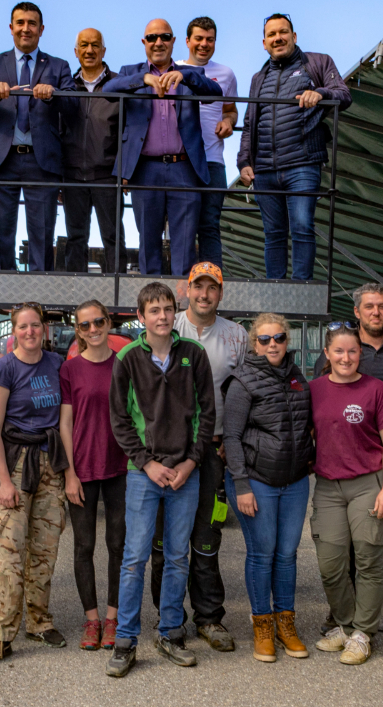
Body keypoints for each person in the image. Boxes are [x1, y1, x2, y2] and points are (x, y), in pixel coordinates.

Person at [105, 282, 215, 678]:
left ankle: (170, 632)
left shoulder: (195, 355)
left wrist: (190, 463)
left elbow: (206, 416)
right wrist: (147, 463)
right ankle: (125, 640)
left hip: (186, 472)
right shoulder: (128, 359)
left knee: (177, 556)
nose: (163, 316)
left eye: (169, 309)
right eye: (154, 310)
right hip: (143, 474)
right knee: (134, 557)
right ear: (141, 317)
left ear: (176, 312)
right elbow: (119, 420)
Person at [313, 282, 383, 634]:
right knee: (335, 558)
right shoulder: (318, 382)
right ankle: (345, 618)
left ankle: (378, 621)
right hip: (332, 477)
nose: (376, 311)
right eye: (369, 306)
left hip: (378, 469)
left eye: (382, 306)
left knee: (382, 550)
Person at [153, 261, 247, 652]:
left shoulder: (237, 335)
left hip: (214, 447)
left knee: (207, 536)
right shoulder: (168, 330)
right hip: (169, 449)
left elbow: (244, 392)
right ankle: (167, 617)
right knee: (164, 539)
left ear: (220, 294)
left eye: (212, 288)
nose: (205, 294)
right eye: (198, 287)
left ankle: (209, 617)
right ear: (186, 290)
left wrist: (234, 440)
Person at [0, 302, 69, 666]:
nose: (30, 332)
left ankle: (39, 621)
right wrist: (3, 482)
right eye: (23, 327)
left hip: (49, 464)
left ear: (44, 328)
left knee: (45, 551)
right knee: (10, 554)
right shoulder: (5, 368)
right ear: (14, 330)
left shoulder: (55, 363)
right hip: (14, 464)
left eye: (36, 325)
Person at [220, 313, 313, 663]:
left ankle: (285, 622)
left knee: (287, 554)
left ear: (287, 340)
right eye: (264, 339)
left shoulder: (298, 377)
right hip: (256, 481)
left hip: (295, 481)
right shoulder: (242, 380)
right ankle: (262, 623)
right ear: (253, 343)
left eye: (279, 338)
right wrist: (241, 484)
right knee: (263, 552)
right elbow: (231, 436)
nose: (272, 344)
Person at [307, 323, 383, 666]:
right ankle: (345, 626)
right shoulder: (314, 389)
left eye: (352, 351)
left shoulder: (376, 389)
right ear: (327, 354)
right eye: (339, 351)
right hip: (329, 486)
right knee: (331, 564)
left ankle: (363, 633)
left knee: (368, 560)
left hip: (369, 482)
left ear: (360, 353)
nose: (345, 357)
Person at [101, 19, 223, 276]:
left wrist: (186, 75)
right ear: (144, 42)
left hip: (185, 169)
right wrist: (143, 79)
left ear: (174, 41)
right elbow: (108, 90)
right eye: (152, 37)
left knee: (186, 243)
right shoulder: (129, 72)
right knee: (148, 241)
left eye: (165, 37)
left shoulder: (190, 74)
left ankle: (181, 307)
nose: (159, 42)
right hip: (145, 170)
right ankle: (152, 307)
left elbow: (215, 92)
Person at [236, 13, 351, 280]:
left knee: (302, 226)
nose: (278, 38)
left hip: (303, 163)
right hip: (264, 169)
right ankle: (276, 287)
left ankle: (302, 287)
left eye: (283, 32)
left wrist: (320, 93)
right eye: (272, 34)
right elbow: (250, 121)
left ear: (294, 36)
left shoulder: (318, 62)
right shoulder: (257, 78)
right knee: (273, 233)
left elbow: (344, 95)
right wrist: (244, 162)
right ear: (264, 43)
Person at [0, 2, 76, 272]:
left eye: (31, 23)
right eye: (20, 23)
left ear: (41, 29)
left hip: (42, 162)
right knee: (0, 231)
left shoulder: (59, 65)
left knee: (42, 233)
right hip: (0, 160)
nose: (25, 29)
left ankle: (39, 297)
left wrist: (54, 94)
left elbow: (74, 107)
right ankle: (3, 294)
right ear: (11, 28)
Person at [60, 300, 129, 650]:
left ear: (108, 322)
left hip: (119, 467)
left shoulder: (125, 365)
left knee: (117, 544)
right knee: (84, 545)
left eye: (98, 322)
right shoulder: (70, 370)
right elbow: (65, 423)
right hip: (83, 468)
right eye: (85, 325)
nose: (93, 329)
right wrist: (70, 473)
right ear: (78, 330)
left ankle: (114, 617)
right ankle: (92, 620)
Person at [176, 16, 238, 267]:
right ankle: (181, 285)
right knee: (182, 227)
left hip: (213, 160)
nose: (204, 44)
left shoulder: (226, 74)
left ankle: (213, 281)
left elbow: (231, 110)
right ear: (187, 41)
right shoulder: (173, 68)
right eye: (199, 39)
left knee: (210, 225)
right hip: (180, 159)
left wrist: (229, 121)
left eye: (209, 39)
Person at [61, 28, 123, 273]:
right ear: (76, 52)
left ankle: (117, 292)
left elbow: (127, 131)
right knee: (75, 237)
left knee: (113, 236)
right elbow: (56, 129)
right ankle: (75, 291)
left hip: (107, 174)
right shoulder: (65, 87)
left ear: (104, 51)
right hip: (72, 174)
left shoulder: (118, 85)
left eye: (95, 45)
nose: (89, 50)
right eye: (84, 45)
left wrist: (124, 170)